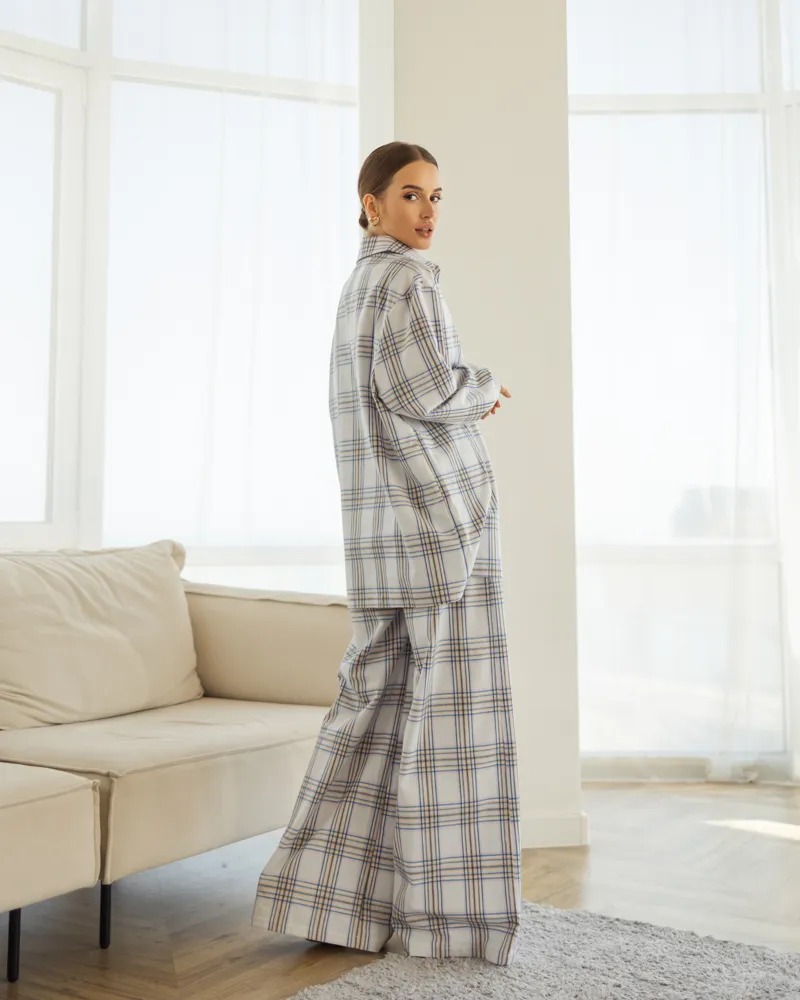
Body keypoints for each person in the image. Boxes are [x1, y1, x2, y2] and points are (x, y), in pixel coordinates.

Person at [252, 141, 521, 966]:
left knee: (370, 718)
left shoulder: (358, 286)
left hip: (380, 543)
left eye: (437, 196)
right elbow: (424, 390)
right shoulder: (407, 279)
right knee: (449, 736)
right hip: (437, 536)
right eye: (410, 194)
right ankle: (451, 924)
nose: (428, 212)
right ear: (370, 204)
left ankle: (330, 906)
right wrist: (483, 388)